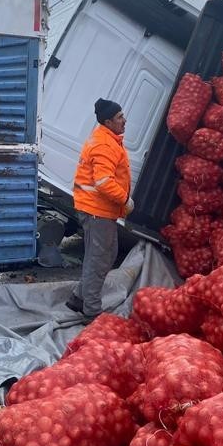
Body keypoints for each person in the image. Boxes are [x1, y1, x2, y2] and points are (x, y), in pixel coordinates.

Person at [67, 98, 133, 317]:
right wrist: (125, 200)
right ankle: (91, 311)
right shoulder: (104, 145)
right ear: (108, 121)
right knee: (99, 259)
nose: (124, 120)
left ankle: (78, 298)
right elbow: (103, 182)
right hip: (97, 211)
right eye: (119, 117)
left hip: (98, 210)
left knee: (105, 255)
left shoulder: (109, 139)